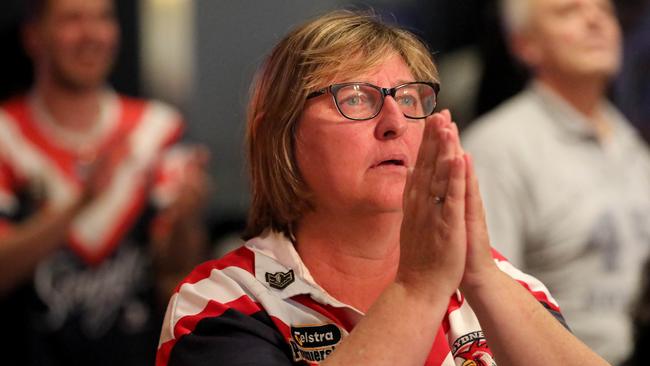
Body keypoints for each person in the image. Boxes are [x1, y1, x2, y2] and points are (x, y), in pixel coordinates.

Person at [156, 10, 608, 366]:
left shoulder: (500, 283)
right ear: (280, 135)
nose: (394, 123)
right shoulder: (222, 303)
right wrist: (417, 289)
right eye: (354, 97)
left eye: (410, 99)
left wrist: (481, 278)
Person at [0, 0, 210, 364]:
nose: (92, 35)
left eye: (102, 18)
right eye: (72, 19)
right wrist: (82, 203)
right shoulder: (7, 137)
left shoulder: (156, 129)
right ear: (34, 35)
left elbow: (173, 275)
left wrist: (186, 219)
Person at [461, 0, 650, 363]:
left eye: (604, 11)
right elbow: (480, 303)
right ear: (523, 44)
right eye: (569, 11)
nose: (595, 21)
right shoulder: (497, 148)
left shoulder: (629, 141)